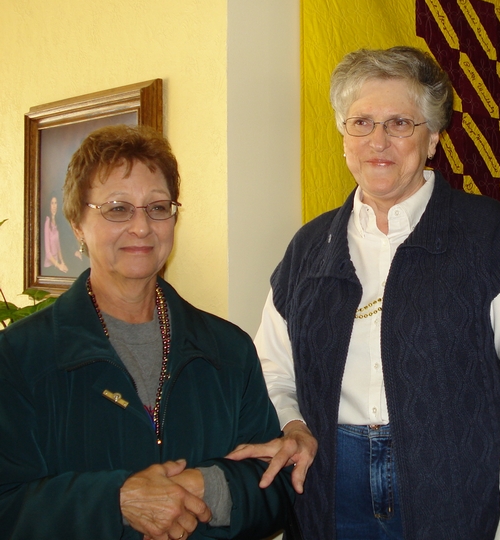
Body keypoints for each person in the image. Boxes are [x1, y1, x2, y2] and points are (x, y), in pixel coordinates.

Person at [229, 46, 500, 539]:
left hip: (454, 495)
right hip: (329, 490)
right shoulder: (308, 249)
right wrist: (292, 423)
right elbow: (271, 368)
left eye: (400, 123)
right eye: (361, 123)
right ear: (344, 137)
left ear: (433, 139)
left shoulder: (487, 236)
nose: (378, 141)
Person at [0, 125, 294, 540]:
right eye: (118, 209)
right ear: (77, 223)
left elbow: (276, 489)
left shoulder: (228, 350)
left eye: (157, 207)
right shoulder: (18, 357)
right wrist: (117, 501)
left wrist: (203, 486)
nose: (141, 227)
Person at [43, 193, 69, 273]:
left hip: (57, 264)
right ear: (49, 205)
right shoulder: (47, 222)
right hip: (50, 266)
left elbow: (58, 246)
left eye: (55, 203)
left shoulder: (56, 221)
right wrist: (59, 266)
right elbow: (48, 253)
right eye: (52, 203)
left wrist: (62, 262)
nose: (54, 206)